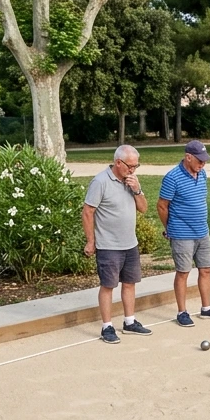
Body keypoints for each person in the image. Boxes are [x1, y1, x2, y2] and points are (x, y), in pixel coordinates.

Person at [83, 145, 151, 342]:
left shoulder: (132, 182)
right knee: (108, 285)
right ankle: (107, 327)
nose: (133, 170)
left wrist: (137, 190)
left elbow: (144, 209)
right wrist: (90, 241)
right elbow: (88, 212)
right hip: (108, 245)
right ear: (118, 163)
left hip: (130, 243)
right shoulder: (100, 181)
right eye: (130, 166)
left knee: (129, 283)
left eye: (136, 166)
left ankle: (129, 321)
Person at [158, 139, 210, 327]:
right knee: (183, 272)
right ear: (188, 157)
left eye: (205, 160)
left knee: (206, 269)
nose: (203, 164)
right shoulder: (172, 178)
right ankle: (182, 312)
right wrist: (169, 228)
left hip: (202, 231)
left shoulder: (202, 173)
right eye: (200, 160)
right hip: (181, 233)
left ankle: (206, 308)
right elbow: (162, 206)